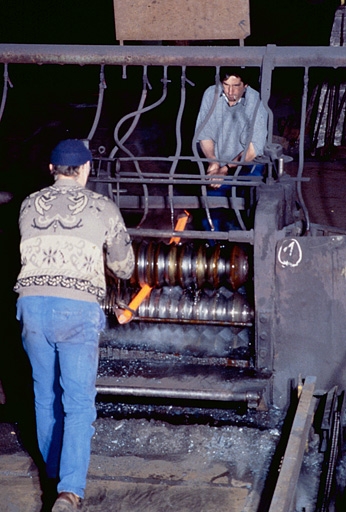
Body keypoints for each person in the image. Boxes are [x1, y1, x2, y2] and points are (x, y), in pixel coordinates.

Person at [14, 139, 135, 511]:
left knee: (44, 396)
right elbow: (124, 265)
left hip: (31, 307)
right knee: (79, 403)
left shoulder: (27, 204)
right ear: (85, 169)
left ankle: (52, 477)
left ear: (51, 170)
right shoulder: (102, 207)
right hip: (75, 311)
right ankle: (68, 491)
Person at [194, 68, 268, 230]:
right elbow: (204, 134)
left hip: (249, 166)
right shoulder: (211, 95)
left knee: (244, 214)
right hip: (220, 164)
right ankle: (212, 248)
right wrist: (212, 162)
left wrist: (226, 168)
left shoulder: (255, 101)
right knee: (210, 211)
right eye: (226, 85)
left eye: (236, 86)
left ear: (246, 85)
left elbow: (254, 148)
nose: (230, 91)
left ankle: (241, 246)